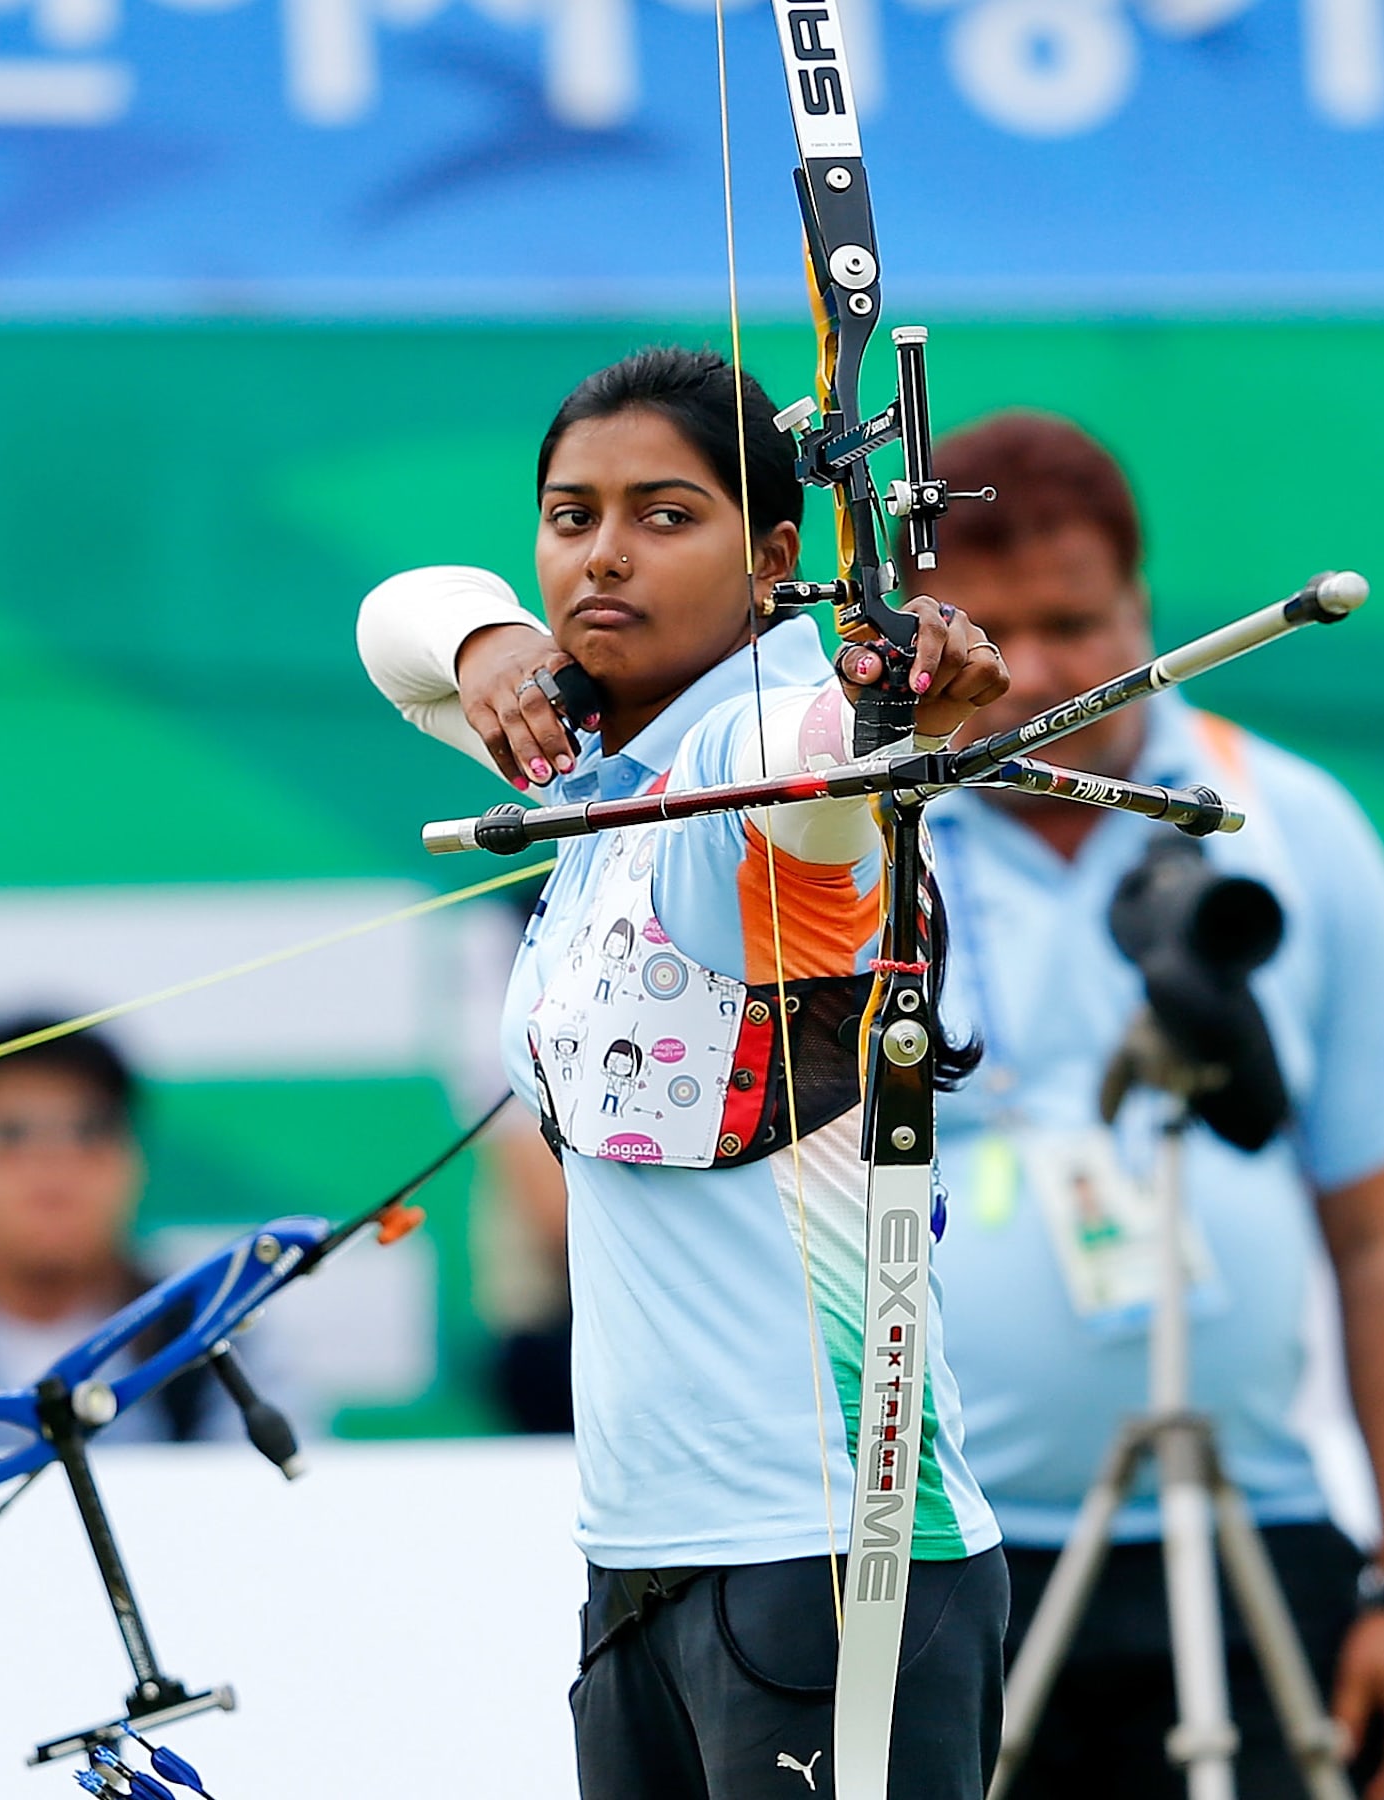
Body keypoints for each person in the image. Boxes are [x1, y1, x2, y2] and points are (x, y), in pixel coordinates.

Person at [358, 345, 1017, 1799]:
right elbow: (397, 620)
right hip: (643, 1567)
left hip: (833, 1562)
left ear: (776, 554)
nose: (602, 556)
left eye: (666, 516)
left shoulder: (754, 755)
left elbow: (828, 770)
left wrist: (897, 707)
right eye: (570, 514)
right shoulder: (599, 761)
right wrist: (486, 649)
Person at [917, 414, 1384, 1800]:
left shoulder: (1287, 820)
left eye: (1074, 624)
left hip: (1247, 1531)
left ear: (1147, 606)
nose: (1036, 675)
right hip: (932, 1550)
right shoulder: (859, 832)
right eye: (991, 636)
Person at [0, 1020, 252, 1442]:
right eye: (11, 1133)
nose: (52, 1165)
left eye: (88, 1130)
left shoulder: (222, 1329)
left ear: (132, 1158)